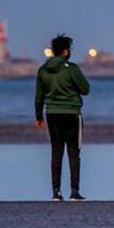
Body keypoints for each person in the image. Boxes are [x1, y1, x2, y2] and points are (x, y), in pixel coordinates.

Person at [35, 33, 90, 201]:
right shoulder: (71, 69)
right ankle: (74, 191)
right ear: (65, 52)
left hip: (52, 114)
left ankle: (56, 193)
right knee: (74, 152)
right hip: (72, 114)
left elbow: (39, 96)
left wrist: (38, 116)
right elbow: (85, 89)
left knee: (56, 152)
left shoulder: (43, 70)